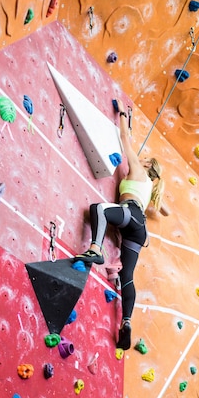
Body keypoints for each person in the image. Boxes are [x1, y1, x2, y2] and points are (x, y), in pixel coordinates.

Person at [75, 98, 165, 350]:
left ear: (147, 166)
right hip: (139, 229)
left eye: (144, 159)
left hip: (130, 215)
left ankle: (95, 248)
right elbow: (161, 209)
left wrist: (123, 114)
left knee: (98, 209)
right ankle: (126, 320)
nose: (141, 159)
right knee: (127, 275)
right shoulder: (150, 190)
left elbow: (125, 140)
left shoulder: (138, 170)